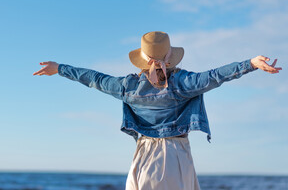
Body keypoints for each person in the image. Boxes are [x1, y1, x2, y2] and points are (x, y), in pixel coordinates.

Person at [33, 31, 281, 190]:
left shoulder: (128, 86)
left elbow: (94, 78)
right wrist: (250, 64)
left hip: (143, 155)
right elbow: (216, 76)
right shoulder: (184, 83)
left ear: (142, 58)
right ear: (170, 56)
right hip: (176, 155)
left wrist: (60, 68)